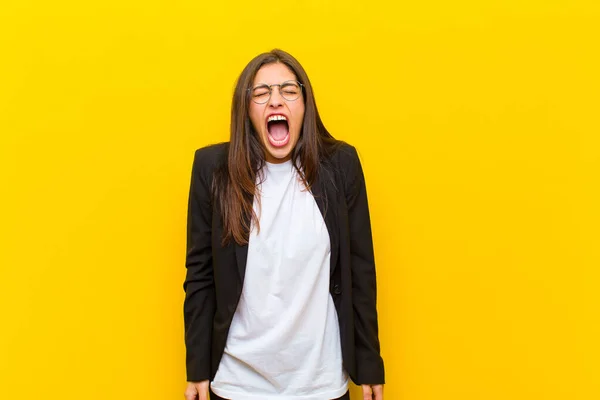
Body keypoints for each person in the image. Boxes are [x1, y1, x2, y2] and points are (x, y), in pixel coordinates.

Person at [183, 49, 385, 400]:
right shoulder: (213, 170)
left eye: (289, 90)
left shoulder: (341, 166)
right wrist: (196, 369)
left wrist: (369, 364)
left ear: (305, 105)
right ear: (246, 111)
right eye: (261, 93)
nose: (275, 100)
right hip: (237, 384)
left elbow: (360, 270)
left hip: (320, 384)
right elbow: (200, 276)